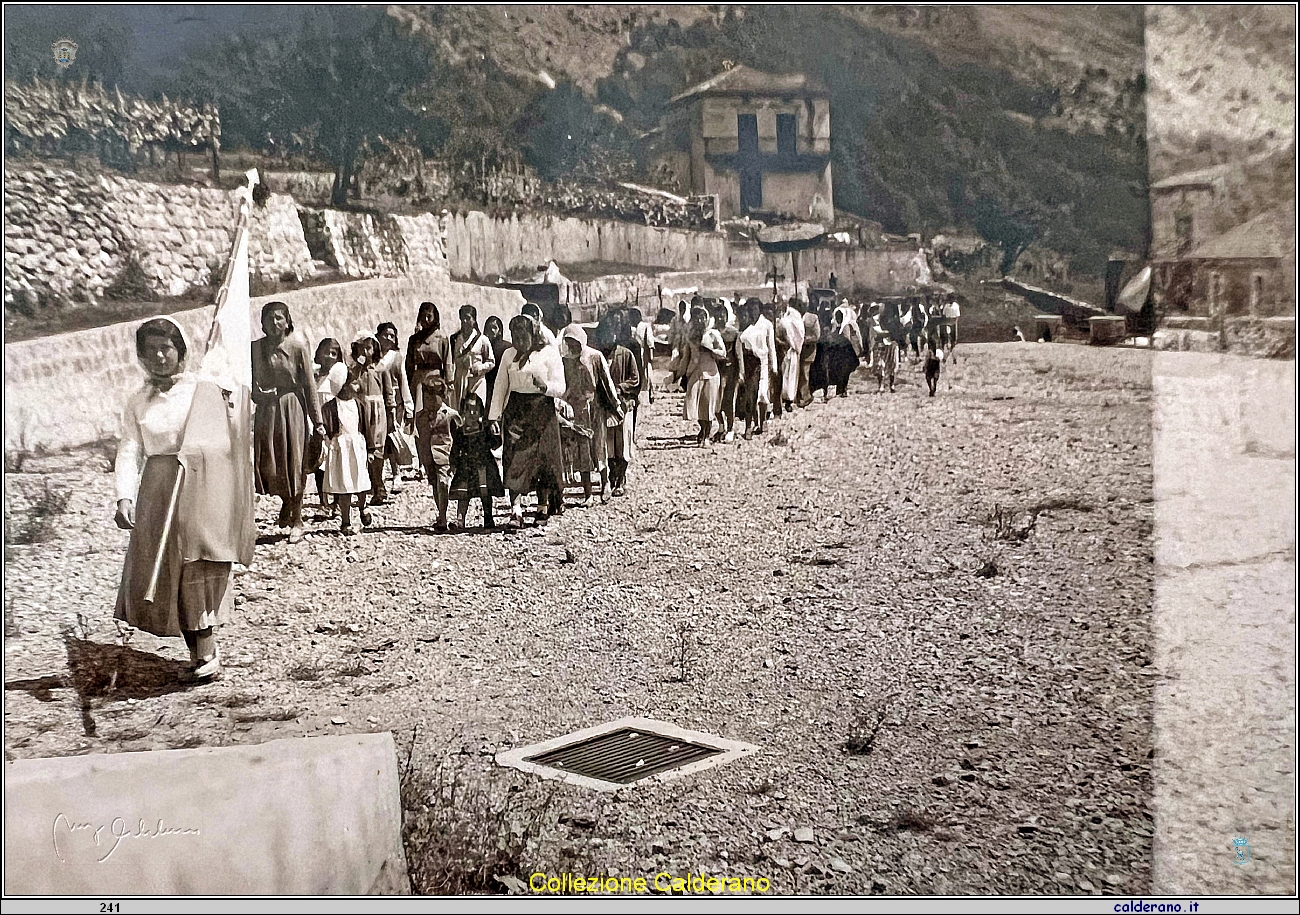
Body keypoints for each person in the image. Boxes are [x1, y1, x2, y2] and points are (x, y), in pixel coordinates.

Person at [115, 317, 250, 683]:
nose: (159, 356)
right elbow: (130, 448)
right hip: (158, 488)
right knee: (168, 567)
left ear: (181, 351)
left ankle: (206, 647)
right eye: (150, 350)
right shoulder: (138, 401)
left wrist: (223, 399)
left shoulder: (201, 390)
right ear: (141, 357)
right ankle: (196, 648)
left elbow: (232, 424)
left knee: (197, 561)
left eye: (166, 348)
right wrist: (124, 496)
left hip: (200, 483)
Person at [252, 301, 324, 544]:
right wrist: (260, 396)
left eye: (279, 318)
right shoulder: (256, 349)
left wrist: (318, 421)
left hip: (292, 407)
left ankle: (297, 518)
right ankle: (286, 501)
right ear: (262, 323)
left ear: (287, 321)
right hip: (267, 411)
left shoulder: (297, 347)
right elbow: (252, 385)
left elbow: (309, 386)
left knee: (294, 462)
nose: (274, 324)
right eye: (269, 319)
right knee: (271, 464)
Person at [488, 314, 567, 529]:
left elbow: (561, 387)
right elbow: (500, 387)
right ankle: (516, 511)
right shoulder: (508, 355)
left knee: (543, 460)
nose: (518, 341)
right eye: (514, 336)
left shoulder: (549, 353)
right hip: (516, 411)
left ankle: (542, 508)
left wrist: (545, 387)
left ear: (533, 334)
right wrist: (494, 416)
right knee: (514, 457)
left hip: (542, 410)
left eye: (523, 337)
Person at [560, 324, 618, 504]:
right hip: (577, 411)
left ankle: (605, 483)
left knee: (599, 447)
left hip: (595, 408)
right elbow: (565, 385)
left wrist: (614, 404)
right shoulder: (566, 360)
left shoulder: (595, 356)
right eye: (569, 342)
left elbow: (606, 382)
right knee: (582, 450)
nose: (573, 346)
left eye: (575, 342)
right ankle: (587, 494)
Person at [320, 366, 375, 535]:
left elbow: (367, 427)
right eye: (354, 383)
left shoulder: (359, 404)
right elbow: (328, 428)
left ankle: (363, 506)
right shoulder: (330, 407)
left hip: (357, 446)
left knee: (361, 480)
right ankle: (346, 521)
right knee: (345, 485)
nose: (357, 386)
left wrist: (371, 449)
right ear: (343, 386)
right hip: (341, 450)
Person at [593, 322, 639, 496]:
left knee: (623, 444)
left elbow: (635, 378)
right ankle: (612, 479)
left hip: (624, 406)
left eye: (610, 335)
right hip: (605, 407)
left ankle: (621, 479)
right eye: (604, 336)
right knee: (609, 445)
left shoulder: (626, 355)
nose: (607, 340)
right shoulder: (597, 357)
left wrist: (620, 388)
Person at [352, 336, 392, 521]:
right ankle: (369, 485)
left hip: (377, 410)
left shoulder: (381, 368)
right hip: (361, 409)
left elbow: (388, 392)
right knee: (364, 447)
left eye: (370, 348)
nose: (366, 352)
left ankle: (379, 486)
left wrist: (391, 414)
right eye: (363, 348)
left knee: (378, 449)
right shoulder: (356, 370)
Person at [449, 391, 503, 530]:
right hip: (466, 465)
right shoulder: (461, 431)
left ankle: (488, 518)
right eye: (468, 409)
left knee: (485, 493)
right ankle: (460, 520)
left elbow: (495, 444)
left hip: (483, 464)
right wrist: (453, 462)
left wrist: (495, 433)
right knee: (463, 494)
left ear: (480, 413)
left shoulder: (484, 429)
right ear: (463, 412)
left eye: (475, 410)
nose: (472, 413)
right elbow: (456, 447)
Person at [414, 376, 460, 532]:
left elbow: (457, 436)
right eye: (426, 398)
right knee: (435, 484)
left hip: (444, 454)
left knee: (443, 483)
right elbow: (419, 438)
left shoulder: (450, 415)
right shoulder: (420, 417)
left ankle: (443, 515)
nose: (430, 403)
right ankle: (441, 515)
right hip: (428, 456)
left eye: (433, 398)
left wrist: (456, 458)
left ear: (443, 396)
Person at [376, 321, 414, 497]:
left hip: (394, 403)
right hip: (377, 401)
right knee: (378, 439)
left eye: (392, 335)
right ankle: (380, 477)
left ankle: (396, 474)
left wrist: (408, 406)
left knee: (392, 438)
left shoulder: (396, 358)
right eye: (386, 334)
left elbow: (403, 381)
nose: (389, 338)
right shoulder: (373, 357)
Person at [312, 338, 347, 516]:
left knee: (336, 461)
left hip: (334, 420)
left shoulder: (338, 372)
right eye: (326, 352)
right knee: (320, 462)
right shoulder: (314, 374)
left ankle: (338, 502)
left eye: (334, 353)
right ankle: (323, 501)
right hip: (317, 422)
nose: (329, 356)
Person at [684, 305, 726, 446]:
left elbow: (722, 353)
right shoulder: (691, 335)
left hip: (711, 373)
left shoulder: (712, 334)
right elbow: (687, 357)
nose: (700, 320)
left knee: (708, 406)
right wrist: (682, 374)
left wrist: (710, 349)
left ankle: (706, 436)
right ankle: (702, 429)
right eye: (697, 318)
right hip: (695, 373)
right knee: (695, 405)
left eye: (702, 317)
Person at [737, 298, 776, 439]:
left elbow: (771, 346)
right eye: (750, 309)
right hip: (748, 363)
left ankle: (763, 421)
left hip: (763, 362)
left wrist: (774, 365)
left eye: (755, 309)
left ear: (760, 309)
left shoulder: (766, 325)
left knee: (762, 394)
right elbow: (740, 344)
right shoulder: (745, 324)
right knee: (749, 395)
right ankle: (748, 426)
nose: (753, 312)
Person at [448, 304, 496, 412]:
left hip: (476, 381)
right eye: (463, 318)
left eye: (468, 318)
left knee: (474, 412)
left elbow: (491, 361)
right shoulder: (455, 339)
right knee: (459, 411)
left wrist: (480, 369)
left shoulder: (482, 340)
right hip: (460, 380)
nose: (465, 321)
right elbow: (450, 360)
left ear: (474, 320)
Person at [406, 302, 451, 411]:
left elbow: (448, 361)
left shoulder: (442, 337)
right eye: (423, 316)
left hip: (435, 379)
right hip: (418, 380)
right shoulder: (414, 339)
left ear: (435, 317)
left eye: (429, 316)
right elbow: (409, 364)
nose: (425, 319)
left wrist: (449, 382)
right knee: (418, 411)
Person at [712, 302, 741, 442]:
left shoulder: (733, 333)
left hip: (730, 372)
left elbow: (738, 354)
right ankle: (721, 426)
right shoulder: (712, 333)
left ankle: (730, 429)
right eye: (718, 315)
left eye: (722, 315)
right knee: (716, 402)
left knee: (729, 401)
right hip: (715, 371)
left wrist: (740, 372)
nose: (720, 318)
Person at [778, 297, 806, 413]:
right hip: (783, 350)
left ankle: (789, 399)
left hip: (791, 350)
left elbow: (797, 333)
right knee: (783, 375)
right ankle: (782, 399)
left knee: (790, 376)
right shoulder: (786, 318)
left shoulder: (793, 319)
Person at [628, 306, 657, 410]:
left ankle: (650, 393)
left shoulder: (645, 326)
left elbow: (649, 342)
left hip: (643, 354)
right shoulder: (629, 327)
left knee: (647, 374)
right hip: (632, 353)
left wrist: (650, 357)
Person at [797, 300, 821, 407]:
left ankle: (805, 396)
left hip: (807, 351)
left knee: (804, 374)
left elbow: (817, 336)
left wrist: (804, 340)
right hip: (796, 352)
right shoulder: (794, 318)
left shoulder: (812, 318)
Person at [923, 333, 944, 397]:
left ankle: (931, 389)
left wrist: (925, 366)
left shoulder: (929, 352)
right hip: (936, 363)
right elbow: (941, 358)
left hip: (930, 364)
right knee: (935, 378)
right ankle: (933, 388)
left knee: (928, 378)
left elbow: (927, 359)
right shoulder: (938, 350)